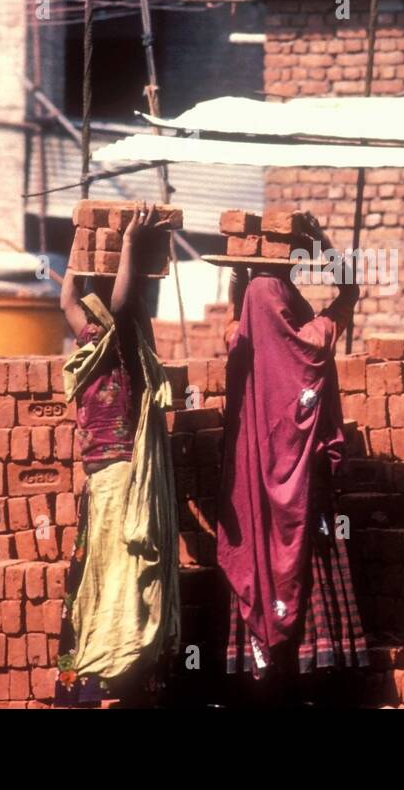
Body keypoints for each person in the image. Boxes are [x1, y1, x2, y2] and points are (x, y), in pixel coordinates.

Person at [216, 215, 369, 695]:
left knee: (272, 551)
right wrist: (326, 249)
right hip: (291, 464)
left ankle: (275, 668)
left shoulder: (253, 305)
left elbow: (235, 326)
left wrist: (237, 275)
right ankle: (302, 670)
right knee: (301, 551)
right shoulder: (268, 295)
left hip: (265, 463)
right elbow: (309, 349)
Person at [55, 204, 180, 705]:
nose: (87, 316)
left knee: (122, 583)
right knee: (106, 586)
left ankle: (122, 679)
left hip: (124, 483)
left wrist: (120, 243)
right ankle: (103, 681)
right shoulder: (92, 341)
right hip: (105, 485)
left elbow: (123, 304)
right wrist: (84, 239)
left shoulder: (122, 343)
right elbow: (69, 297)